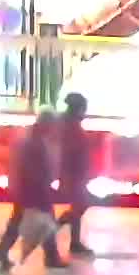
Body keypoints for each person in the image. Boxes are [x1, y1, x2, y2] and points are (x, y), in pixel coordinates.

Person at [0, 111, 62, 271]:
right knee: (47, 221)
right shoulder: (35, 142)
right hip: (34, 190)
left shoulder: (30, 138)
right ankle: (51, 257)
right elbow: (35, 169)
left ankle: (2, 252)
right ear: (46, 124)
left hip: (26, 189)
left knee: (18, 221)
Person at [50, 93, 98, 264]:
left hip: (74, 174)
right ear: (78, 108)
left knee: (79, 206)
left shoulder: (67, 124)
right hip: (72, 175)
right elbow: (70, 152)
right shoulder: (69, 127)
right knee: (81, 205)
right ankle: (52, 231)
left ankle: (74, 242)